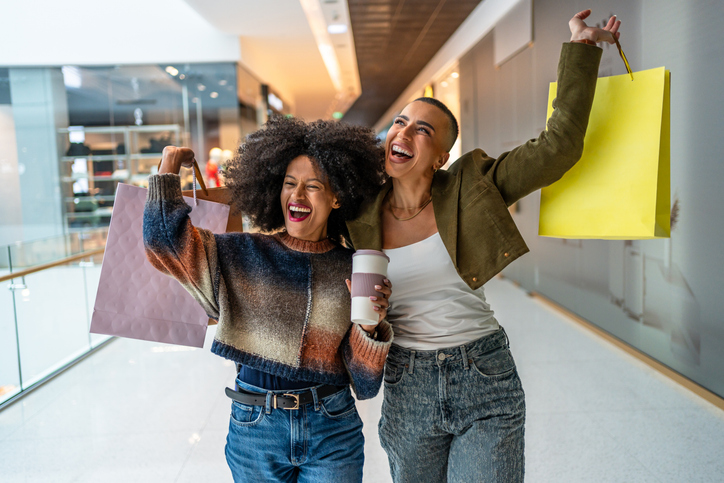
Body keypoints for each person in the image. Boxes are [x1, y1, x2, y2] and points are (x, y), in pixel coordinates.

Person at [346, 10, 621, 483]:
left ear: (441, 156)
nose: (403, 134)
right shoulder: (356, 213)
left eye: (422, 131)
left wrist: (581, 50)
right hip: (407, 383)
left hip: (484, 373)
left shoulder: (472, 186)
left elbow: (559, 147)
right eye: (401, 122)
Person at [143, 116, 393, 483]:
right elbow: (164, 241)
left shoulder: (353, 267)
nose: (297, 195)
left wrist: (370, 326)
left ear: (337, 197)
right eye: (289, 184)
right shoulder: (241, 253)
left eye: (313, 186)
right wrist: (167, 169)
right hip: (255, 428)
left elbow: (366, 385)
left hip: (333, 428)